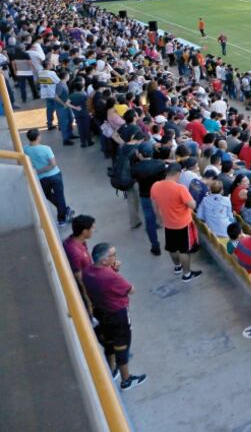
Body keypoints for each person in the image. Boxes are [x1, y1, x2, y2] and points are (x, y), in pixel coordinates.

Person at [83, 242, 147, 390]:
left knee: (109, 343)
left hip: (101, 311)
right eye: (112, 255)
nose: (115, 257)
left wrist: (112, 269)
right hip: (117, 314)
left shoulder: (88, 271)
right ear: (104, 260)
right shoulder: (110, 276)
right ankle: (126, 380)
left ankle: (112, 370)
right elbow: (131, 290)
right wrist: (114, 271)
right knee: (122, 346)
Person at [150, 163, 202, 281]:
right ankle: (187, 274)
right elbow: (192, 205)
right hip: (183, 223)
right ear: (177, 174)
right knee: (184, 250)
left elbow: (155, 205)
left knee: (172, 248)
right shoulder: (180, 188)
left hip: (168, 223)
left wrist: (160, 218)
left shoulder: (155, 186)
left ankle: (177, 267)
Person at [25, 127, 73, 226]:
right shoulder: (46, 149)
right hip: (55, 175)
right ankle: (62, 218)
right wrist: (43, 169)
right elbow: (53, 164)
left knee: (47, 195)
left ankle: (64, 211)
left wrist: (37, 171)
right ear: (38, 137)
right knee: (60, 196)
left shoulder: (25, 149)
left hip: (41, 178)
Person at [63, 214, 96, 314]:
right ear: (85, 231)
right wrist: (89, 303)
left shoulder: (76, 242)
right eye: (92, 228)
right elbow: (79, 279)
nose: (94, 230)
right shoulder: (75, 252)